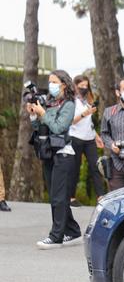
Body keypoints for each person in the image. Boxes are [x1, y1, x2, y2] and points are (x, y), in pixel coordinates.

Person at [27, 70, 81, 249]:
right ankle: (72, 231)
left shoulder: (69, 104)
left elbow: (58, 127)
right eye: (50, 81)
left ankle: (56, 236)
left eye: (54, 81)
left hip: (64, 154)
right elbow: (39, 127)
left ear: (64, 84)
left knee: (58, 197)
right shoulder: (49, 102)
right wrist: (34, 114)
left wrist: (43, 114)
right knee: (58, 197)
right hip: (49, 153)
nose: (51, 85)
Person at [68, 75, 106, 206]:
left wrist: (96, 136)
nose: (84, 88)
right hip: (76, 137)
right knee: (74, 168)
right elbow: (70, 121)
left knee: (95, 166)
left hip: (89, 138)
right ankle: (71, 197)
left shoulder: (88, 100)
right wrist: (85, 113)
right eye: (81, 86)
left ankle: (101, 196)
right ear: (75, 86)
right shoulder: (71, 101)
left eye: (86, 86)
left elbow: (88, 122)